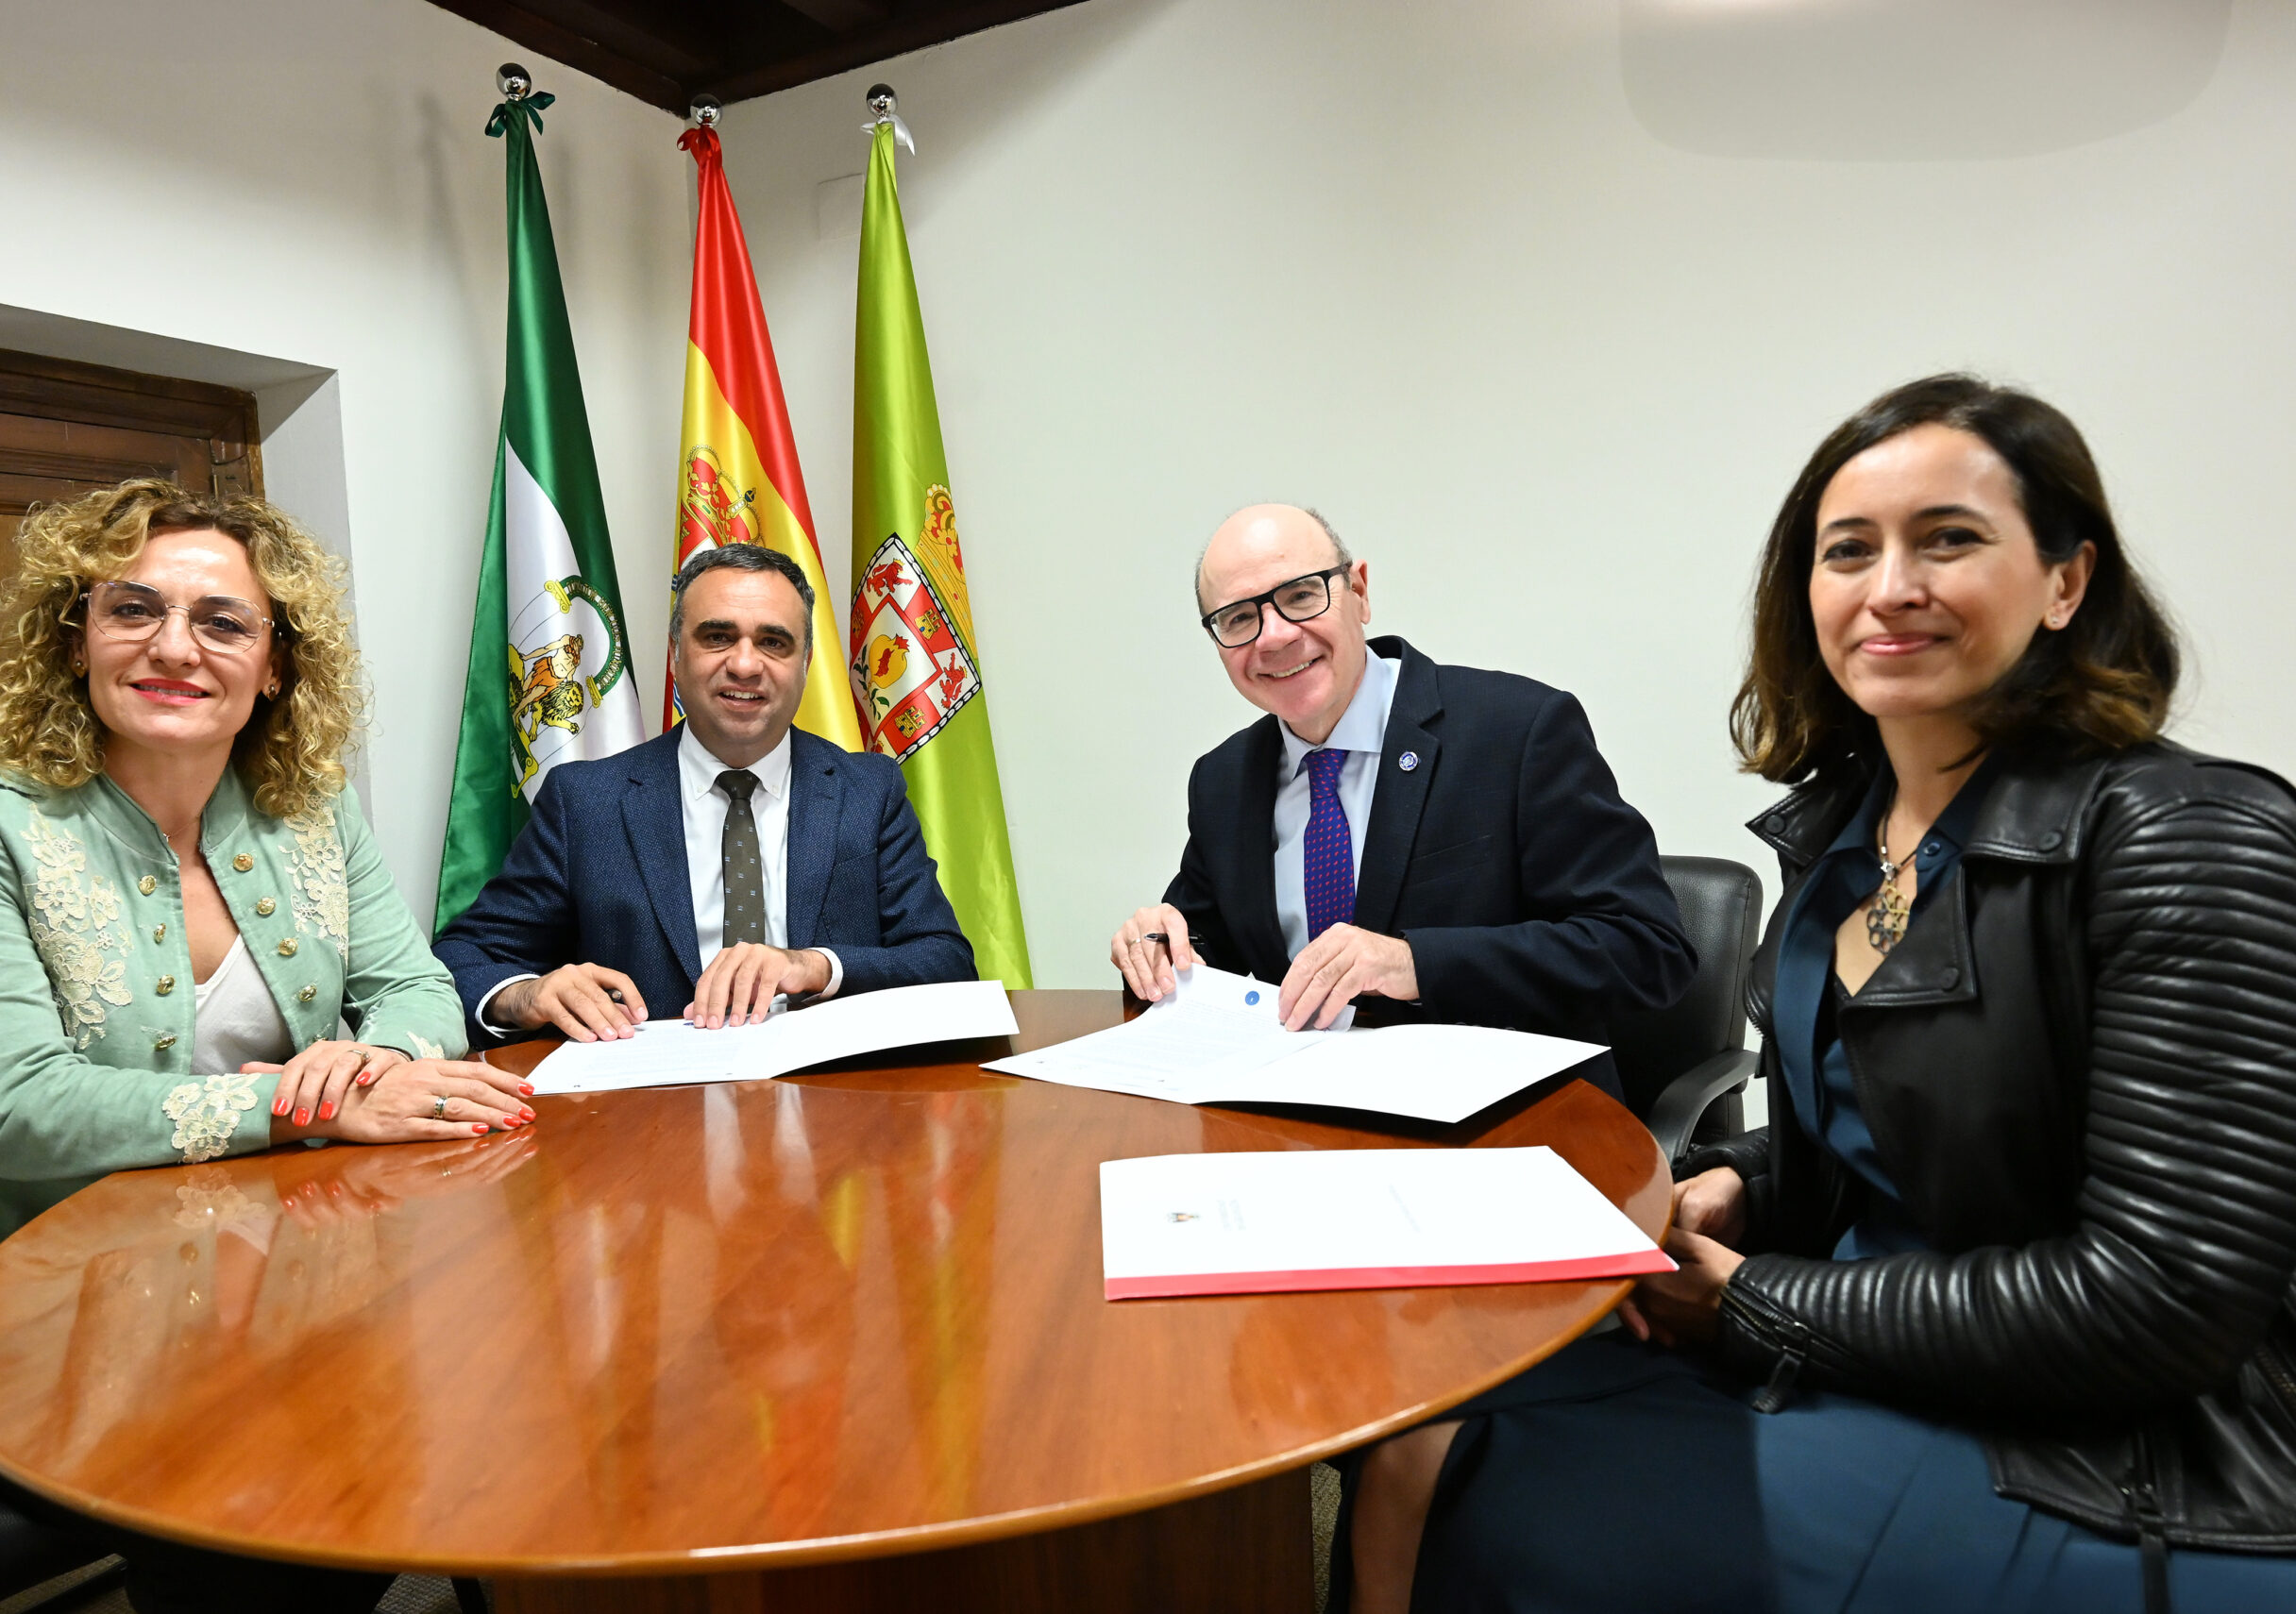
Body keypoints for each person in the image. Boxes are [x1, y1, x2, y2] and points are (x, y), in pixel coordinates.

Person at [1340, 377, 2296, 1614]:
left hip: (2095, 1450)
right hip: (1855, 1347)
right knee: (1421, 1416)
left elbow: (2160, 1301)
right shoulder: (1845, 836)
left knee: (1499, 1497)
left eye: (1947, 539)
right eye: (1848, 551)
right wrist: (1744, 1179)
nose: (1889, 586)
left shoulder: (2190, 832)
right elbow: (1901, 1132)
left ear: (2066, 582)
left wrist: (1748, 1301)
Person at [0, 479, 531, 1614]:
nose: (174, 647)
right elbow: (17, 1109)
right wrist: (301, 1106)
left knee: (471, 1384)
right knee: (270, 1494)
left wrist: (370, 1062)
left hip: (250, 1274)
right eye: (133, 609)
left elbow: (415, 985)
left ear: (273, 665)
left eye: (223, 622)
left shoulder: (309, 806)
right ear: (75, 637)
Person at [1107, 504, 1692, 1094]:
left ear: (1359, 592)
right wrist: (1161, 950)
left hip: (1507, 1117)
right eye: (1238, 618)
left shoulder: (1518, 730)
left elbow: (1647, 950)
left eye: (1301, 596)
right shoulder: (1223, 779)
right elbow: (1206, 950)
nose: (1276, 635)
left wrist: (1412, 964)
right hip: (1302, 1111)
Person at [435, 544, 973, 1045]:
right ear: (676, 654)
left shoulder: (868, 791)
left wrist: (815, 966)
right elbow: (463, 958)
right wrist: (526, 994)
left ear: (806, 662)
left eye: (773, 642)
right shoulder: (585, 802)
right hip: (650, 1102)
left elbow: (946, 963)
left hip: (826, 1094)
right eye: (717, 637)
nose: (745, 664)